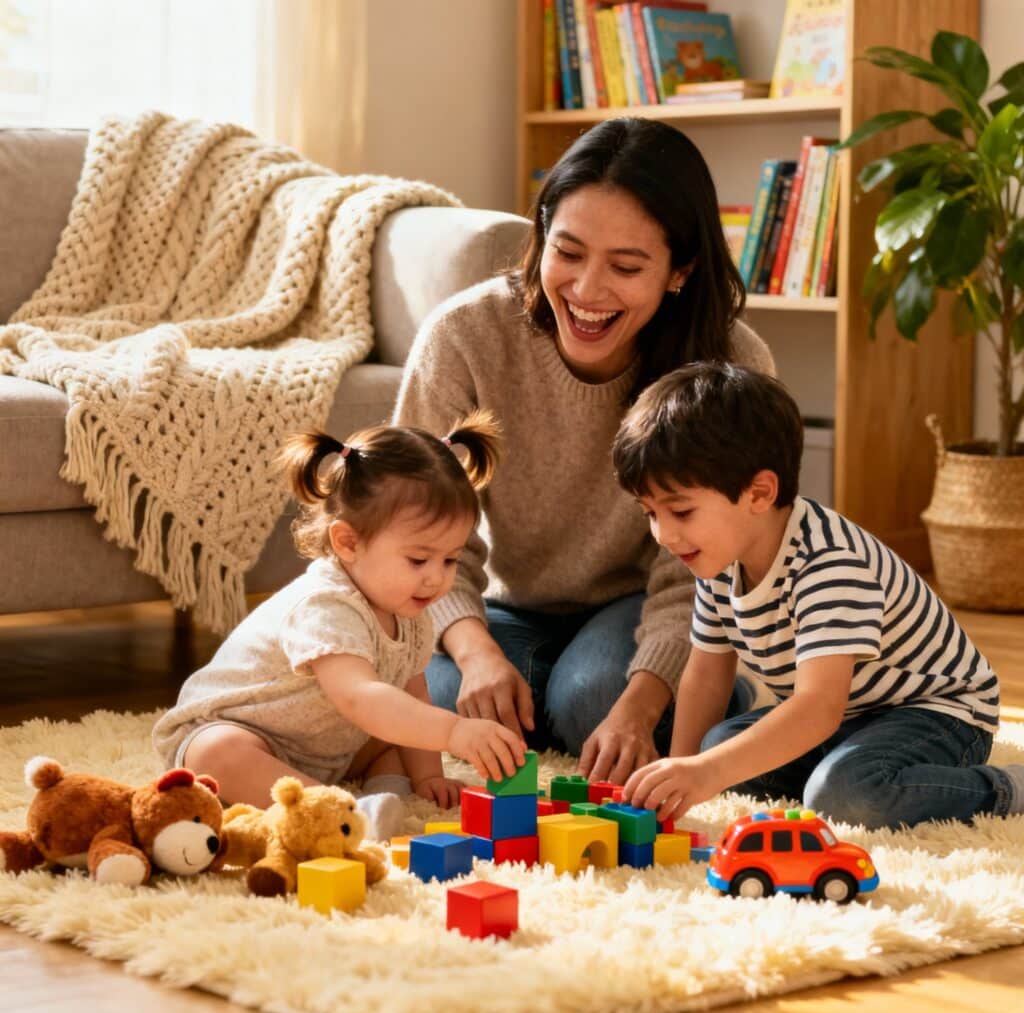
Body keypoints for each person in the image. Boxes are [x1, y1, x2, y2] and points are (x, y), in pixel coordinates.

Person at [394, 117, 774, 784]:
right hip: (503, 605)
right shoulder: (464, 336)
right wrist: (477, 653)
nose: (587, 291)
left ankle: (703, 696)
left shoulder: (731, 365)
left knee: (594, 701)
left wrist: (642, 702)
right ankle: (547, 688)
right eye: (567, 253)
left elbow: (703, 569)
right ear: (541, 236)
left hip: (636, 605)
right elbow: (410, 524)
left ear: (680, 271)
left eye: (626, 267)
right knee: (439, 694)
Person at [614, 362, 1024, 829]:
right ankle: (844, 764)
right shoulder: (717, 558)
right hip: (847, 714)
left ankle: (1004, 788)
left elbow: (818, 707)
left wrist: (706, 773)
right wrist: (682, 770)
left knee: (843, 795)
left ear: (759, 493)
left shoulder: (829, 563)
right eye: (650, 514)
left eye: (681, 512)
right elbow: (706, 675)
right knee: (717, 748)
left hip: (936, 712)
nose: (664, 534)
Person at [152, 411, 526, 839]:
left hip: (321, 747)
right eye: (419, 559)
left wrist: (428, 777)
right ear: (347, 542)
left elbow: (413, 692)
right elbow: (359, 697)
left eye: (450, 559)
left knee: (396, 727)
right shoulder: (325, 604)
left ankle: (387, 794)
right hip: (240, 733)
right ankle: (337, 814)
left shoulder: (409, 608)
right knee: (219, 753)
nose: (437, 578)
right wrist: (453, 731)